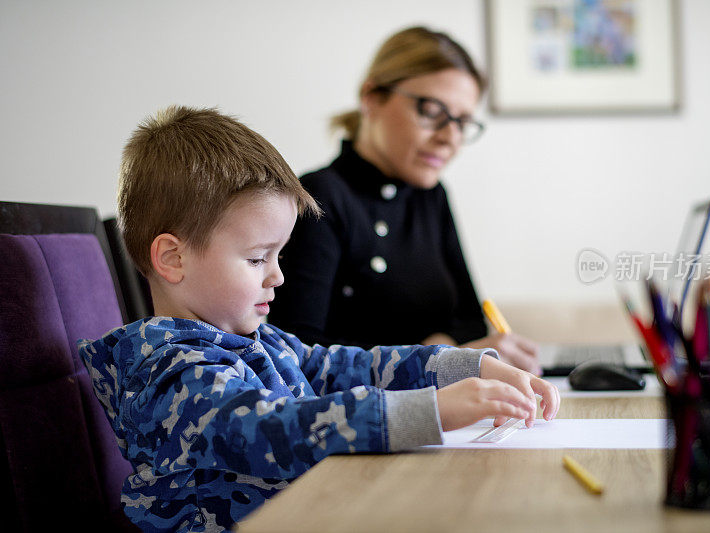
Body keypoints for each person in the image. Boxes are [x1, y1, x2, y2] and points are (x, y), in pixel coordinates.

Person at [78, 106, 560, 532]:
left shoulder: (260, 341)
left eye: (279, 255)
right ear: (173, 259)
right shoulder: (170, 373)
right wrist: (431, 411)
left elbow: (351, 367)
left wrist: (466, 367)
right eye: (257, 258)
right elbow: (277, 429)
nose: (278, 276)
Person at [269, 26, 542, 375]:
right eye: (431, 111)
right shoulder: (319, 197)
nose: (449, 138)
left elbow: (471, 321)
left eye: (462, 122)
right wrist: (438, 359)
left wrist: (441, 347)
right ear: (371, 97)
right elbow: (296, 356)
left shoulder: (431, 195)